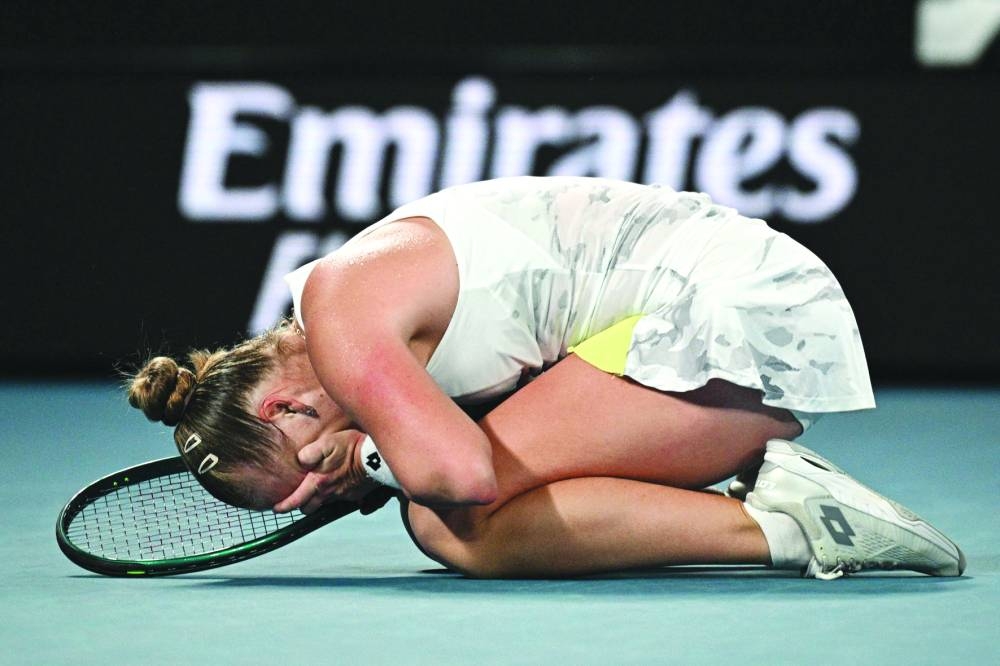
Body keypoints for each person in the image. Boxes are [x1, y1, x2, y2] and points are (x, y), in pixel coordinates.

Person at [128, 176, 965, 579]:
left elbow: (458, 473)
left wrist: (373, 458)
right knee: (455, 512)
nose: (326, 490)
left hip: (731, 310)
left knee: (447, 518)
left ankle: (806, 528)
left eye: (307, 472)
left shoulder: (342, 316)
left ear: (284, 405)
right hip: (751, 314)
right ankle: (795, 515)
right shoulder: (356, 316)